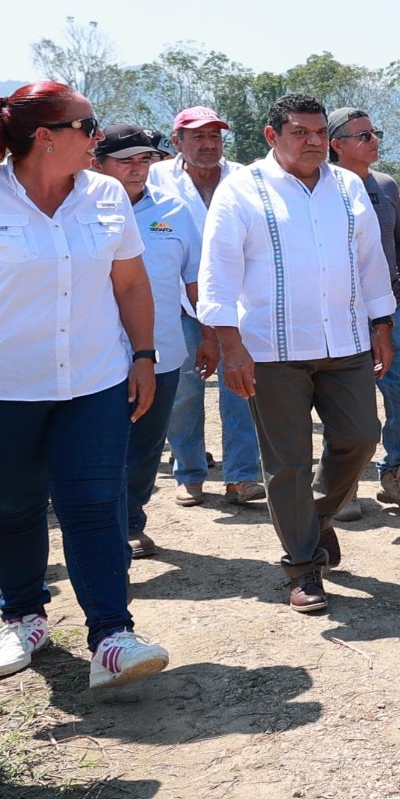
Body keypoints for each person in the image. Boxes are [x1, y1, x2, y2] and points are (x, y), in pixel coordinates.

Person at [0, 82, 172, 691]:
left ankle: (112, 635)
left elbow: (132, 284)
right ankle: (23, 617)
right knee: (12, 505)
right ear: (45, 137)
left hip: (94, 381)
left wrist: (142, 355)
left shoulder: (106, 194)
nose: (99, 138)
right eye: (88, 127)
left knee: (95, 506)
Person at [197, 94, 394, 615]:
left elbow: (371, 262)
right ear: (271, 136)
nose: (312, 141)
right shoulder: (241, 190)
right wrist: (231, 346)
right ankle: (302, 565)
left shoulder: (348, 186)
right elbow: (218, 272)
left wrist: (382, 324)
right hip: (271, 348)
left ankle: (318, 515)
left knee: (360, 436)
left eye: (318, 132)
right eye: (300, 132)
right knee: (286, 462)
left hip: (346, 340)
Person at [89, 126, 201, 560]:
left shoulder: (174, 211)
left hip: (162, 351)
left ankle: (131, 518)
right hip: (96, 354)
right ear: (98, 163)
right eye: (126, 161)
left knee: (147, 444)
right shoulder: (80, 210)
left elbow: (194, 278)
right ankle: (103, 527)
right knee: (100, 446)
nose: (138, 170)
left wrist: (210, 333)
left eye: (146, 160)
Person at [151, 108, 264, 507]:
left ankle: (242, 475)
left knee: (241, 385)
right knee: (184, 390)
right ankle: (189, 472)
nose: (208, 144)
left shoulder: (245, 179)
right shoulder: (156, 180)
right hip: (179, 303)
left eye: (215, 136)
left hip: (237, 303)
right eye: (197, 136)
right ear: (177, 140)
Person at [327, 109, 400, 522]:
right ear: (337, 144)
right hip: (341, 313)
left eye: (375, 133)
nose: (374, 140)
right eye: (363, 135)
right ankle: (344, 483)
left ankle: (397, 474)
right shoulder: (322, 188)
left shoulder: (386, 186)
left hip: (390, 309)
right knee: (346, 403)